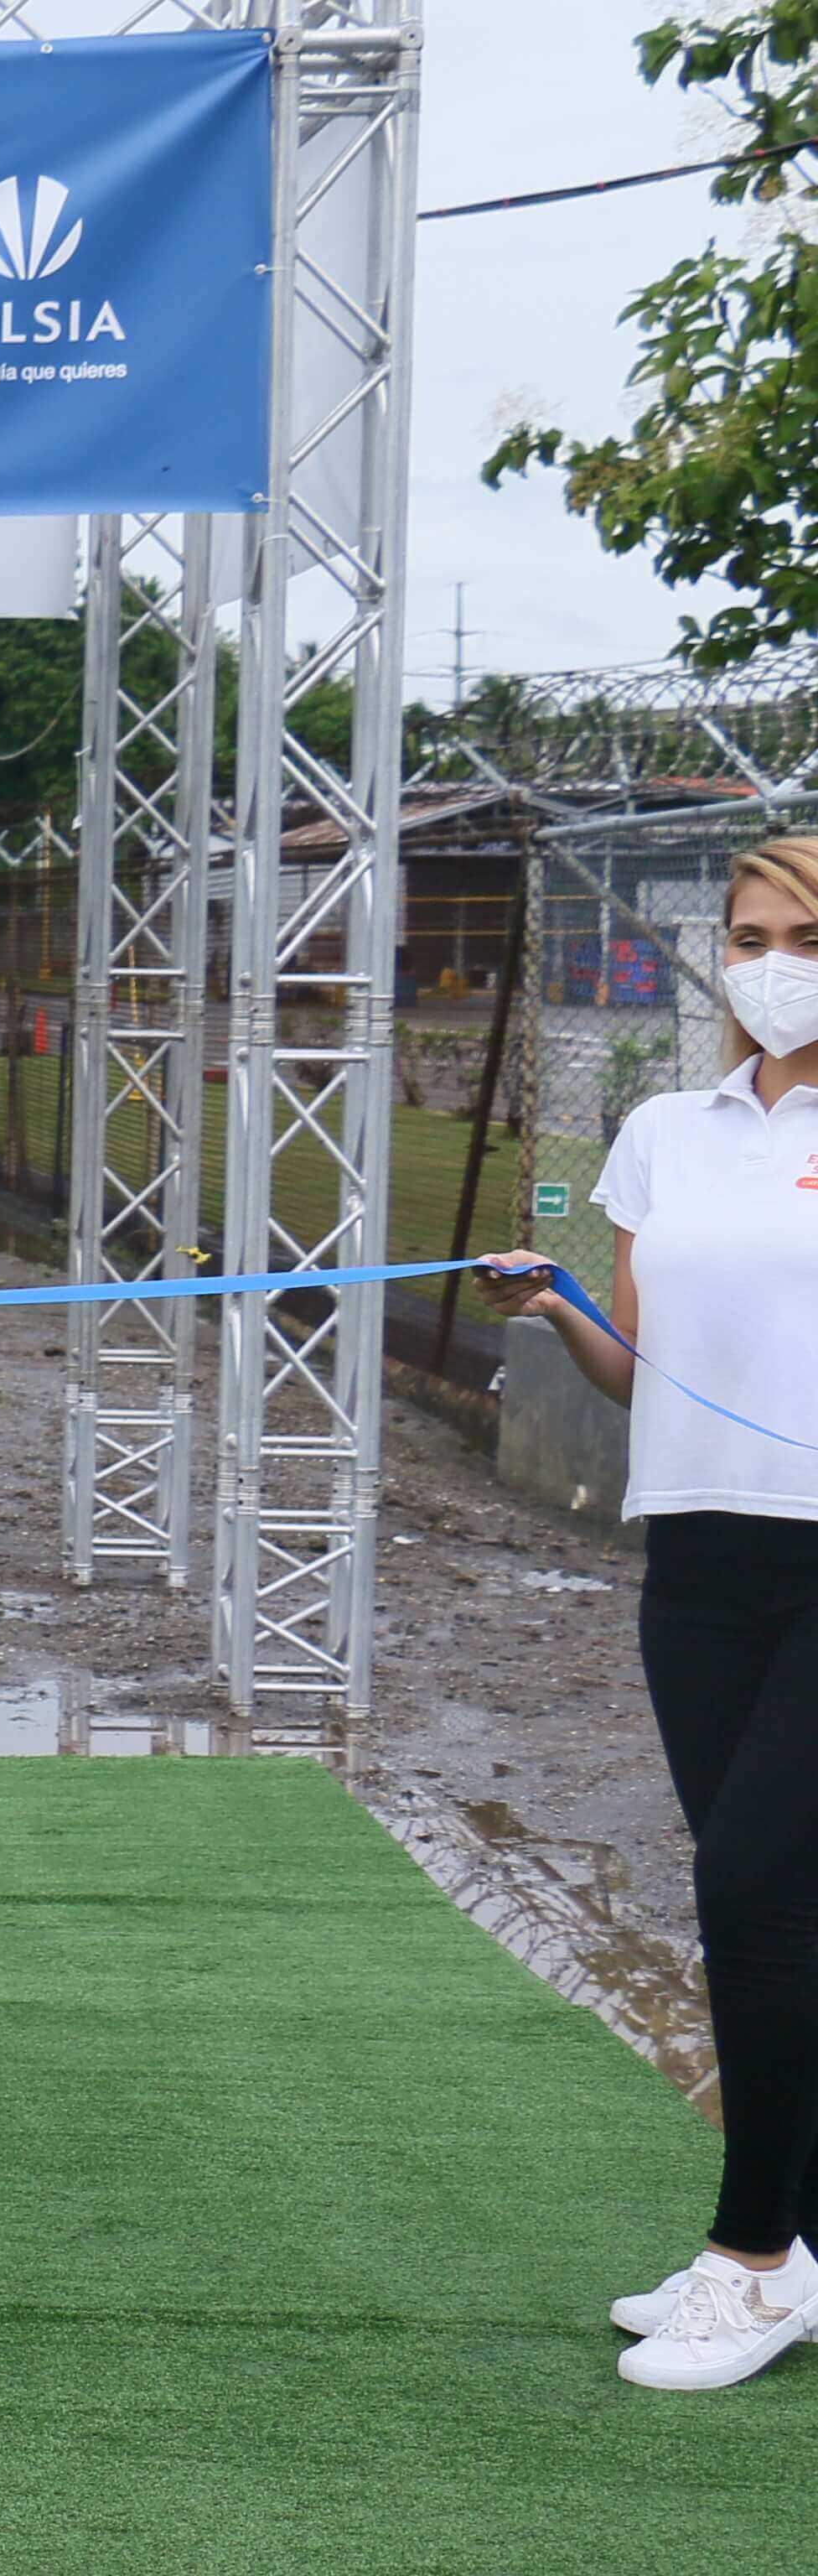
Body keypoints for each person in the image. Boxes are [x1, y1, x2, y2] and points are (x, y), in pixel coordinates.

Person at [484, 836, 818, 2392]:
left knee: (754, 1889)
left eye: (799, 932)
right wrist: (557, 1304)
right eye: (748, 933)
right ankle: (802, 2246)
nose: (764, 960)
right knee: (772, 1902)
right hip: (695, 1558)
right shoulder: (666, 1132)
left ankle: (752, 2260)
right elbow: (647, 1368)